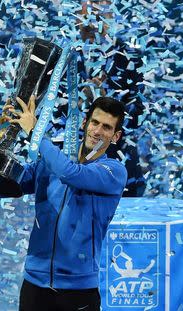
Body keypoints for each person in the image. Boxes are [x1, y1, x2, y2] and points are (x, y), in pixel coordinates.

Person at [0, 96, 127, 311]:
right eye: (95, 122)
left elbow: (71, 173)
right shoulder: (48, 163)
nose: (97, 131)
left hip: (78, 291)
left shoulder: (113, 172)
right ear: (84, 122)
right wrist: (4, 140)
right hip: (34, 285)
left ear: (115, 136)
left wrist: (35, 131)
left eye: (106, 127)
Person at [76, 0, 146, 197]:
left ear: (111, 11)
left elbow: (139, 115)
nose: (93, 12)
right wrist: (81, 101)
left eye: (99, 4)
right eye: (88, 5)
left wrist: (108, 102)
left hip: (120, 175)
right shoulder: (65, 57)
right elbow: (48, 114)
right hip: (72, 173)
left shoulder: (129, 58)